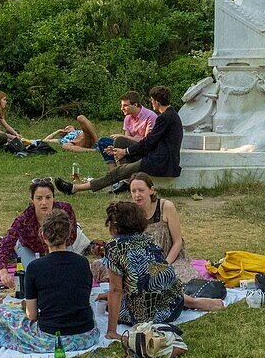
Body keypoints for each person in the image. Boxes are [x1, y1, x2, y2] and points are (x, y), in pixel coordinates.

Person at [101, 201, 223, 342]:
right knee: (157, 285)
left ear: (114, 225)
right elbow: (150, 274)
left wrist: (111, 331)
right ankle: (193, 302)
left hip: (146, 317)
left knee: (109, 306)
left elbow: (116, 290)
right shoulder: (148, 239)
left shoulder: (114, 247)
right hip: (173, 306)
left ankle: (191, 302)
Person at [0, 209, 101, 354]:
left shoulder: (35, 267)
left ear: (43, 236)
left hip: (52, 337)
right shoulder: (83, 262)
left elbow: (31, 315)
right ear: (69, 235)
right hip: (86, 334)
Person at [55, 86, 183, 194]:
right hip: (156, 155)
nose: (151, 103)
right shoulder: (170, 115)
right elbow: (152, 143)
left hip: (161, 161)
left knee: (120, 170)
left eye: (152, 100)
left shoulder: (165, 117)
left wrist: (126, 152)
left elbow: (148, 141)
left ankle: (76, 188)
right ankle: (125, 181)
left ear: (157, 102)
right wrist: (122, 149)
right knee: (121, 141)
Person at [0, 179, 95, 285]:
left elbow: (72, 237)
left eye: (48, 197)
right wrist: (3, 271)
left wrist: (53, 256)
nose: (44, 203)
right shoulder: (24, 220)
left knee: (66, 273)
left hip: (60, 246)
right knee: (35, 275)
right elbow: (6, 243)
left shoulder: (65, 210)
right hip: (30, 249)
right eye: (39, 198)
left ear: (53, 198)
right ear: (32, 200)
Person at [129, 173, 196, 283]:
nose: (137, 195)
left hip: (170, 259)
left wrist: (164, 266)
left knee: (180, 278)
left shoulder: (166, 207)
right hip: (143, 262)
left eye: (141, 190)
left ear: (151, 190)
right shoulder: (130, 211)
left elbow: (178, 242)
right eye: (133, 191)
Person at [94, 91, 159, 168]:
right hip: (130, 146)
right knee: (103, 142)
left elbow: (147, 142)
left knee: (120, 140)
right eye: (122, 105)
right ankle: (113, 171)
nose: (122, 108)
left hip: (143, 148)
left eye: (125, 105)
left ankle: (124, 172)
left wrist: (121, 138)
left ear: (135, 104)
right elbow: (126, 140)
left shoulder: (150, 116)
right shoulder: (128, 118)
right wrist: (115, 146)